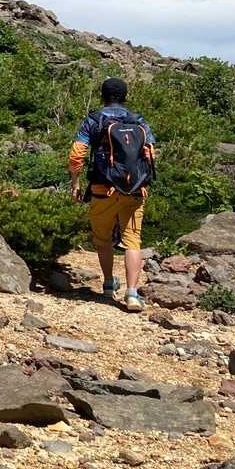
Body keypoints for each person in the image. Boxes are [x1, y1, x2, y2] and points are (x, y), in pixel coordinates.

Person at [68, 78, 156, 312]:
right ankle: (132, 294)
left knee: (102, 239)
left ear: (102, 95)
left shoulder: (94, 119)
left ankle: (108, 284)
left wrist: (75, 183)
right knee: (133, 241)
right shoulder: (138, 120)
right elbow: (150, 153)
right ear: (126, 96)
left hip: (102, 189)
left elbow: (77, 154)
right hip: (135, 189)